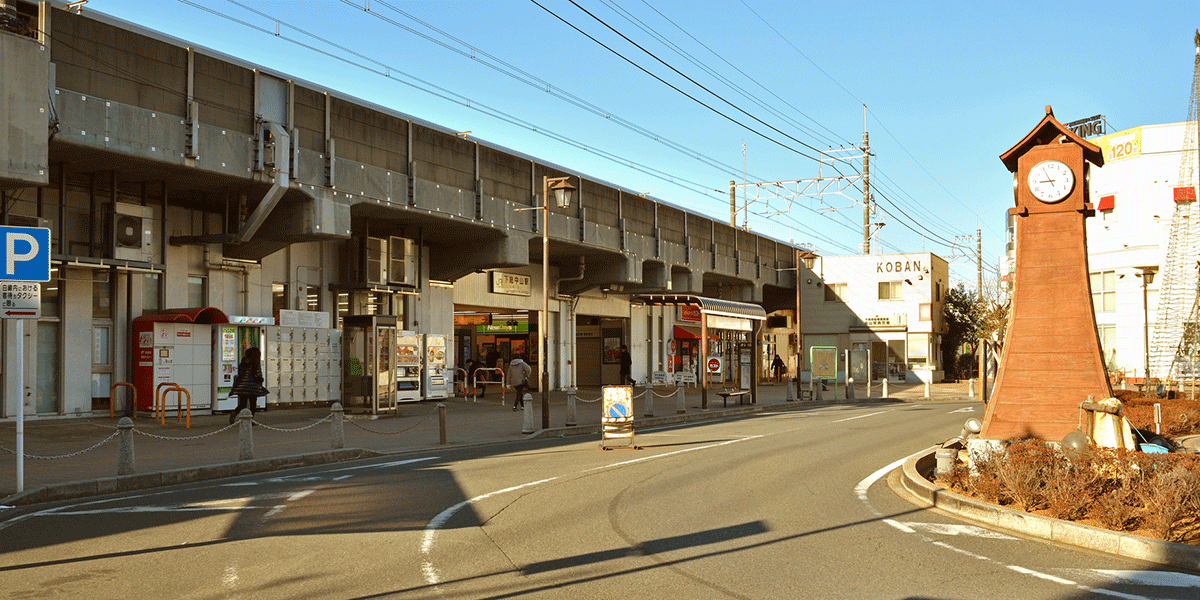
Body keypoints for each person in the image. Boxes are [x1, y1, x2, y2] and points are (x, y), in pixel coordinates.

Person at [230, 347, 266, 424]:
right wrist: (261, 379)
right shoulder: (256, 363)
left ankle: (234, 413)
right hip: (252, 387)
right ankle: (250, 420)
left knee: (242, 405)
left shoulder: (243, 362)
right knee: (253, 405)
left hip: (242, 386)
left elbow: (240, 374)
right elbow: (258, 375)